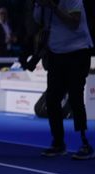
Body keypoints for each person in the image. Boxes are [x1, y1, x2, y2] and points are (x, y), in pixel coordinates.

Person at [36, 0, 94, 159]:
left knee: (75, 96)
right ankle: (58, 142)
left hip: (78, 51)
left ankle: (85, 143)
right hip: (56, 53)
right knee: (52, 98)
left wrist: (53, 7)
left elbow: (74, 22)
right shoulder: (41, 5)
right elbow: (39, 23)